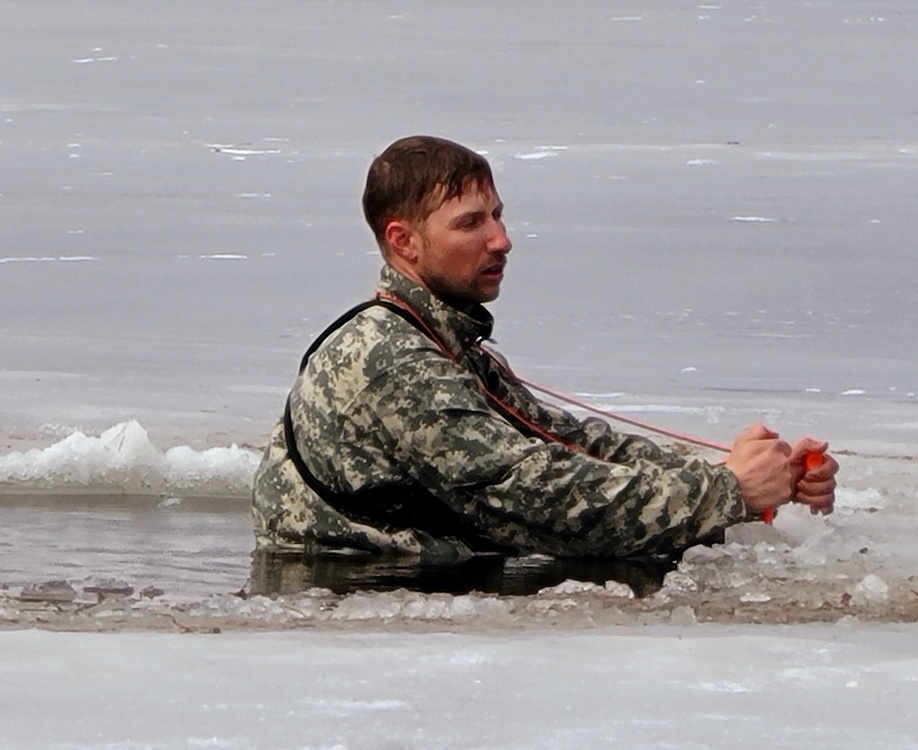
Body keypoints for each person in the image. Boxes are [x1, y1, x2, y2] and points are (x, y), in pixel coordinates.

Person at [252, 135, 838, 563]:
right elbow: (536, 499)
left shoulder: (441, 339)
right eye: (470, 224)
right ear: (403, 241)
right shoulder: (393, 361)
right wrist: (726, 493)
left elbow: (568, 444)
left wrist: (750, 475)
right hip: (351, 606)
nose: (501, 240)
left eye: (498, 217)